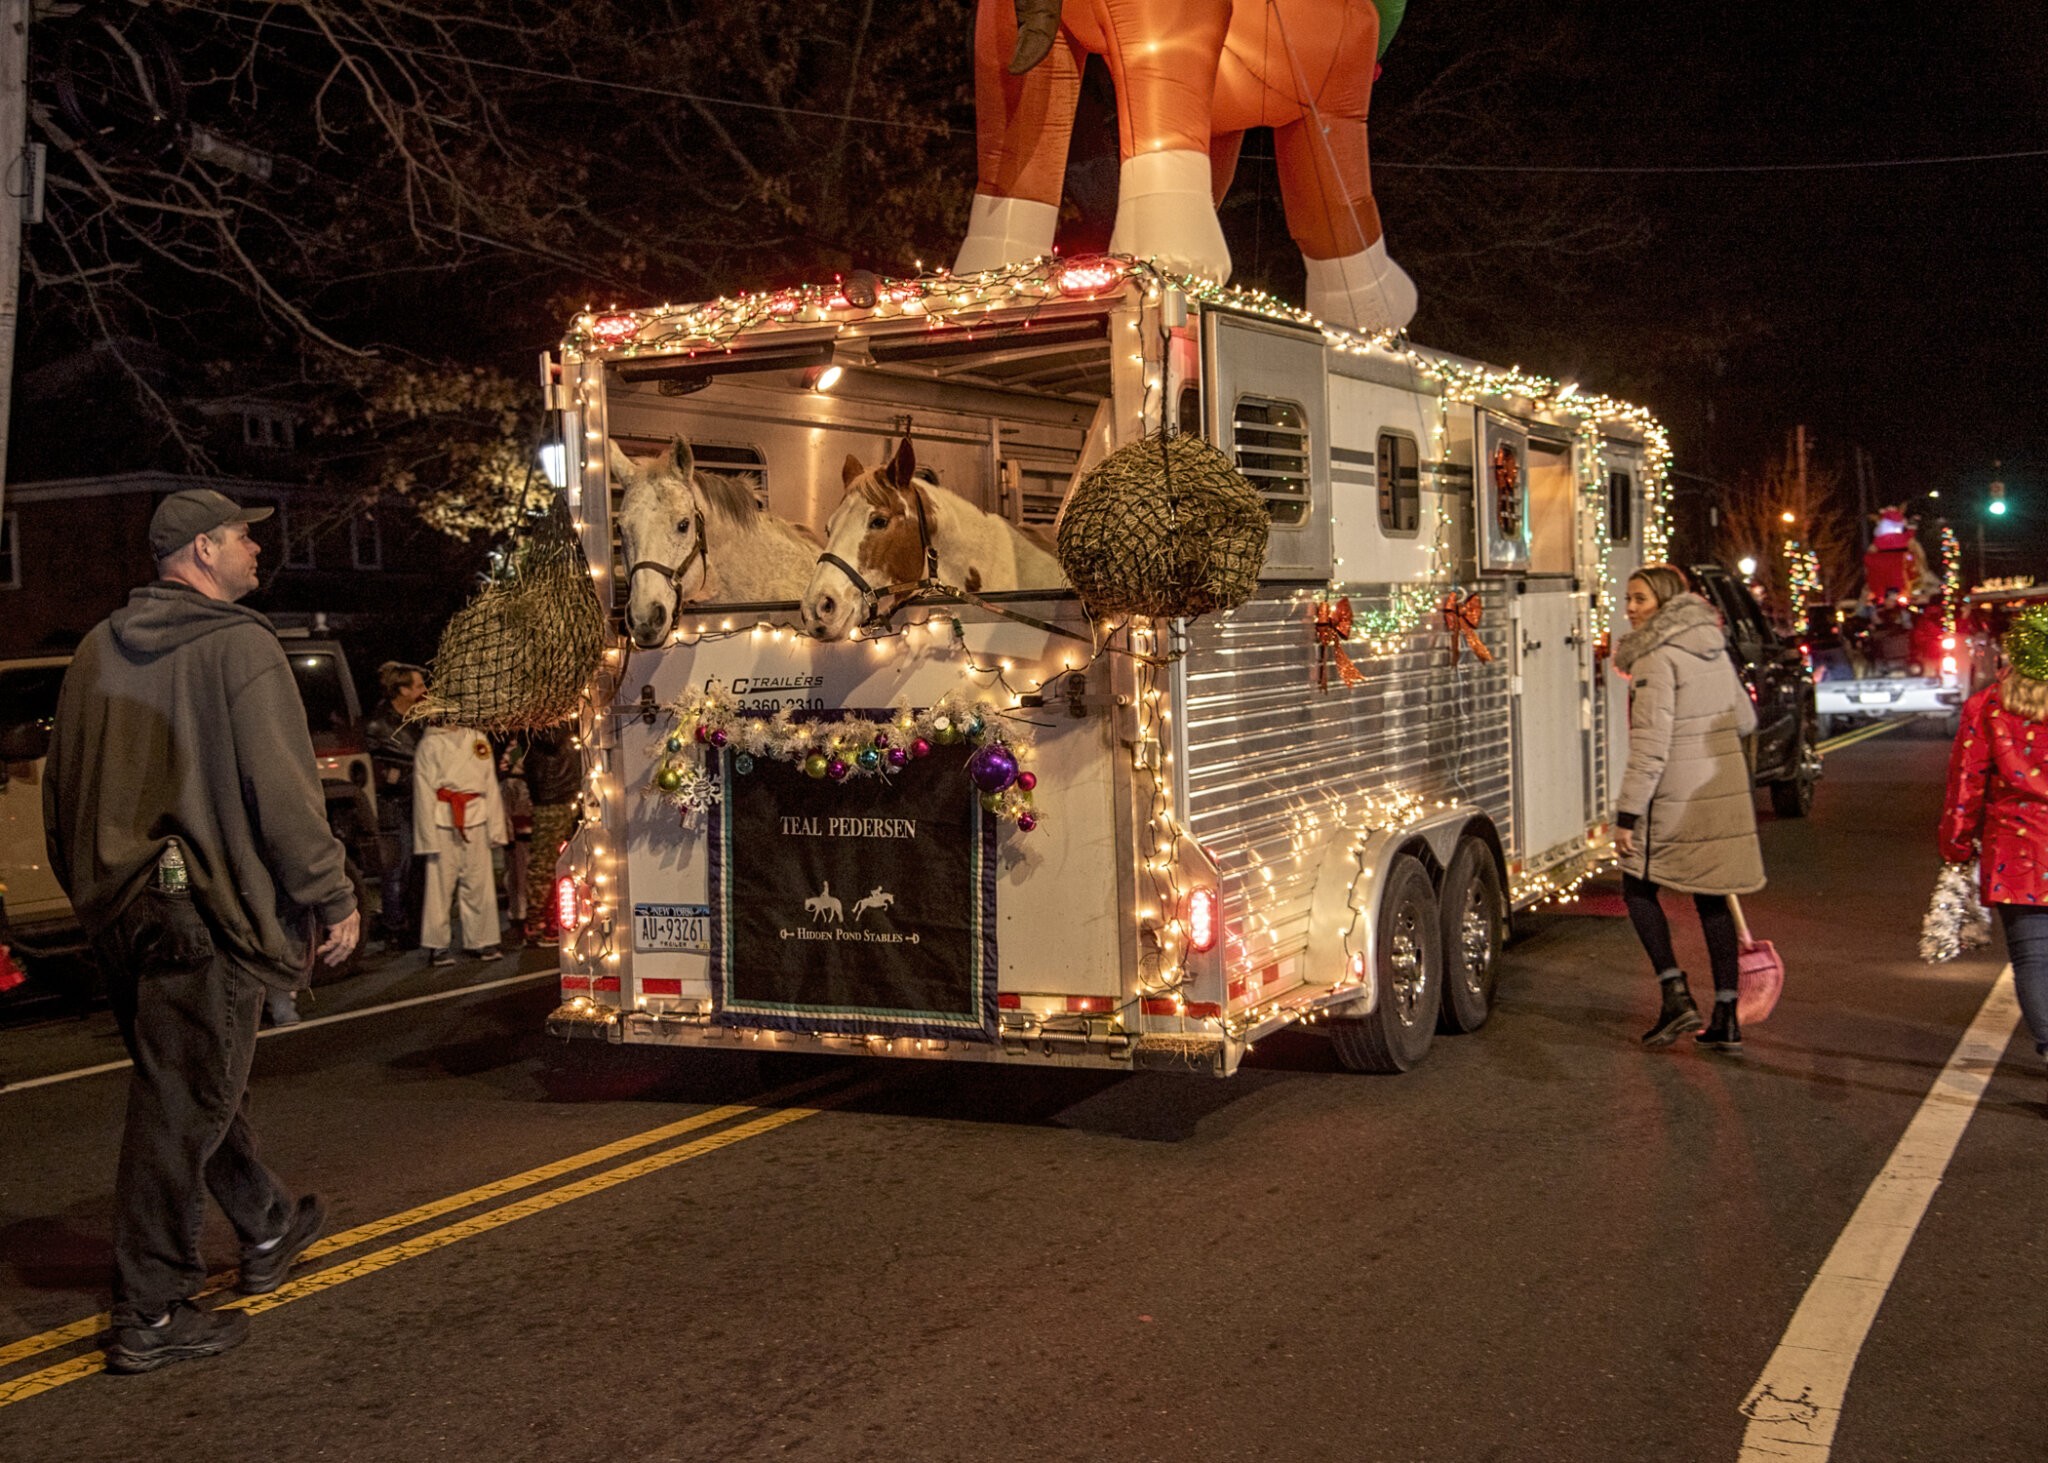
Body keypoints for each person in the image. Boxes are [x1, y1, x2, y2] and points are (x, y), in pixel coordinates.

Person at [43, 488, 359, 1374]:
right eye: (243, 537)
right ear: (200, 550)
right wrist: (331, 896)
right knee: (181, 1104)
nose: (257, 549)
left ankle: (261, 1223)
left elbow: (59, 794)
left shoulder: (95, 651)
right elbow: (286, 794)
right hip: (202, 911)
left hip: (124, 909)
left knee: (195, 1075)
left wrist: (96, 891)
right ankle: (149, 1309)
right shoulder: (239, 648)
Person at [1613, 563, 1767, 1052]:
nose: (1630, 609)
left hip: (1678, 797)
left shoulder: (1655, 660)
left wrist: (1627, 815)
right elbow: (1745, 719)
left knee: (1636, 885)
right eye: (1628, 600)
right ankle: (1726, 1013)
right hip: (1721, 793)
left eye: (1639, 599)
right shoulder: (1712, 648)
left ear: (1663, 602)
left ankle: (1675, 993)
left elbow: (1651, 748)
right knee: (1713, 895)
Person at [1939, 604, 2048, 1075]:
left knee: (2033, 958)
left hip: (2017, 850)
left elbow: (1966, 783)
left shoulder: (1987, 707)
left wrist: (1957, 846)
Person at [414, 718, 509, 962]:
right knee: (440, 885)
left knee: (479, 881)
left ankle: (482, 940)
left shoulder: (477, 739)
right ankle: (437, 944)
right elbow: (423, 791)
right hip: (442, 819)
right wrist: (426, 837)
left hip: (475, 816)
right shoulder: (430, 744)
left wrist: (496, 828)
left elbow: (489, 783)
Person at [365, 662, 429, 950]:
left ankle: (414, 926)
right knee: (396, 869)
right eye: (417, 686)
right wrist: (399, 776)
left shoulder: (420, 720)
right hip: (395, 807)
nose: (424, 690)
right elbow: (382, 769)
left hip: (420, 802)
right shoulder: (380, 725)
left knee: (419, 868)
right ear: (402, 690)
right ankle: (394, 927)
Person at [520, 723, 583, 946]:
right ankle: (536, 924)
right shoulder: (543, 721)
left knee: (564, 864)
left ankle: (550, 920)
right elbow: (552, 740)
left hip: (564, 797)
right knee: (545, 865)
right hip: (551, 798)